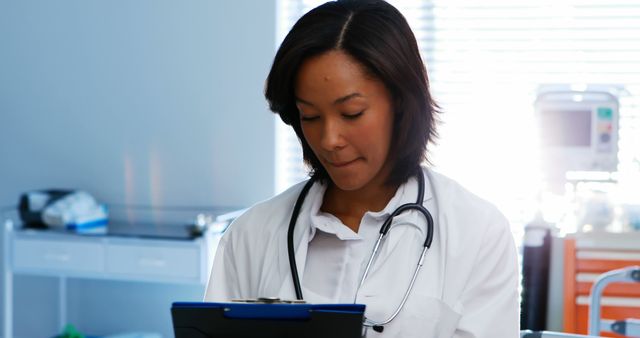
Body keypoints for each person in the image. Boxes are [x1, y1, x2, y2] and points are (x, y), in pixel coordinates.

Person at [204, 0, 520, 337]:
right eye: (310, 116)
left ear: (400, 102)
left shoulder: (477, 232)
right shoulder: (250, 236)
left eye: (352, 113)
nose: (329, 139)